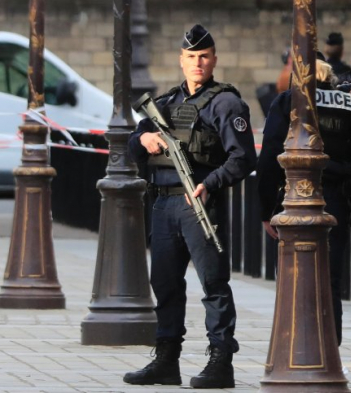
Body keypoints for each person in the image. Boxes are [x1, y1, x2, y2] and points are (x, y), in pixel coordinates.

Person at [124, 24, 257, 389]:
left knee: (213, 284)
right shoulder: (165, 103)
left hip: (200, 205)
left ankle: (220, 361)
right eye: (191, 57)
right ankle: (166, 360)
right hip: (164, 206)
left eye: (204, 57)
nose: (198, 63)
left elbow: (243, 158)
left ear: (213, 60)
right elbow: (133, 144)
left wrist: (209, 183)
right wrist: (146, 137)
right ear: (181, 62)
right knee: (165, 284)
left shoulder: (226, 103)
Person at [256, 54, 351, 346]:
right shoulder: (348, 102)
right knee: (330, 278)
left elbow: (269, 157)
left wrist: (266, 210)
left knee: (295, 276)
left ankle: (295, 345)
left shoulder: (288, 101)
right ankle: (330, 348)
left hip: (294, 195)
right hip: (336, 197)